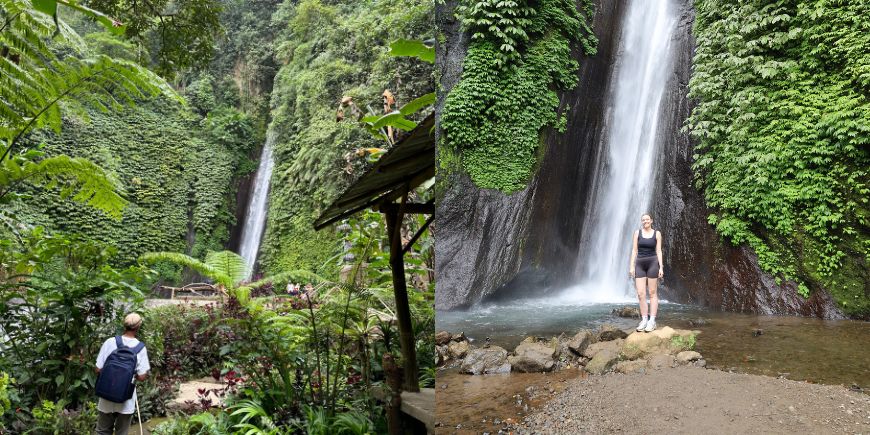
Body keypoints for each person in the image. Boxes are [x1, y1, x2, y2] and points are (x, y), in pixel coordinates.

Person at [95, 313, 150, 435]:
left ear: (124, 325)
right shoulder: (140, 348)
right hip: (125, 400)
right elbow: (141, 377)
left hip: (106, 397)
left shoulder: (110, 342)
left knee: (102, 431)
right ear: (138, 327)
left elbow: (98, 369)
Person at [629, 213, 664, 332]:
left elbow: (659, 251)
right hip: (640, 264)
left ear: (651, 221)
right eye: (643, 220)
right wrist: (631, 267)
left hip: (653, 263)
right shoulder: (637, 233)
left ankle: (652, 320)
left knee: (653, 292)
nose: (645, 221)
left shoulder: (657, 233)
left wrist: (661, 267)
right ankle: (644, 319)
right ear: (641, 222)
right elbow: (634, 250)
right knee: (640, 293)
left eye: (647, 219)